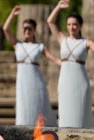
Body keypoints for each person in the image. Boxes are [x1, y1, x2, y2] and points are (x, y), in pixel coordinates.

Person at [3, 6, 61, 127]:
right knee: (23, 104)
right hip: (23, 80)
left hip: (36, 80)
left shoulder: (39, 46)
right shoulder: (18, 44)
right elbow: (6, 29)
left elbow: (54, 58)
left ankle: (40, 128)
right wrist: (12, 15)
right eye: (24, 29)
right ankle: (23, 128)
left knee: (38, 104)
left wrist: (67, 63)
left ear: (34, 30)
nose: (27, 31)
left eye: (29, 29)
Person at [47, 0, 94, 128]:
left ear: (80, 26)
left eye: (74, 24)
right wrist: (58, 7)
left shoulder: (86, 42)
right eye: (69, 24)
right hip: (65, 80)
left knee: (82, 112)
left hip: (80, 81)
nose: (71, 27)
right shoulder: (63, 39)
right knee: (65, 110)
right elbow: (50, 22)